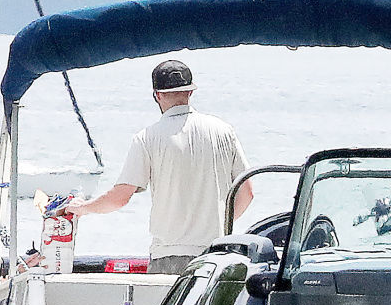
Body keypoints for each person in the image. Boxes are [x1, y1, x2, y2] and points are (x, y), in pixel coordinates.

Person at [60, 59, 253, 273]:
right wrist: (217, 222)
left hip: (169, 255)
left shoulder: (147, 138)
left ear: (157, 95)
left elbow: (120, 197)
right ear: (190, 93)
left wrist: (83, 208)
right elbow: (247, 193)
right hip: (216, 254)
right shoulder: (224, 131)